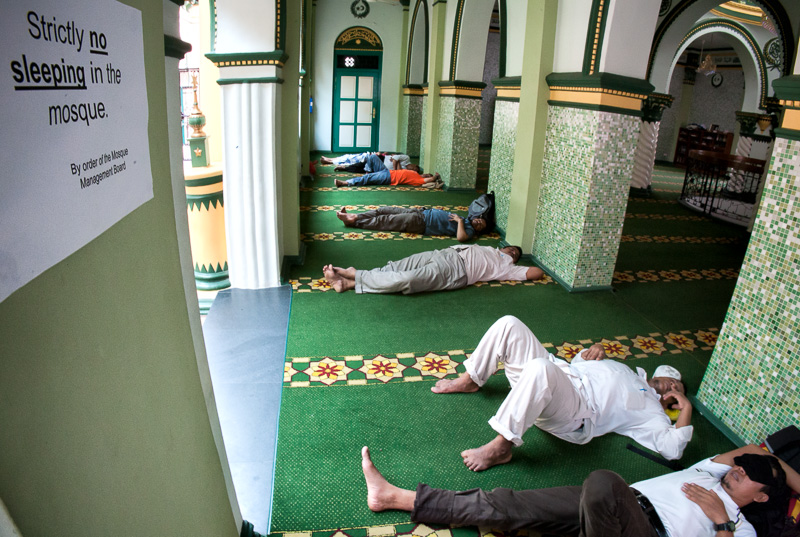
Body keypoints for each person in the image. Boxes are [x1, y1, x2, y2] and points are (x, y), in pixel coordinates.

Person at [360, 443, 798, 537]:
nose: (737, 471)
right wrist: (768, 461)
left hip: (643, 530)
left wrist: (720, 522)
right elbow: (760, 450)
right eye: (739, 468)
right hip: (607, 509)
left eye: (749, 476)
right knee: (510, 506)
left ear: (763, 497)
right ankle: (396, 498)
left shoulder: (743, 529)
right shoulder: (710, 472)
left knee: (604, 481)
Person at [431, 315, 693, 471]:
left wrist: (686, 410)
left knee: (540, 368)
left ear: (673, 401)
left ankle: (502, 446)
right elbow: (579, 366)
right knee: (509, 324)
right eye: (671, 381)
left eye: (676, 389)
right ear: (657, 375)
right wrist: (594, 352)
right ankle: (470, 379)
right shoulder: (628, 371)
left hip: (573, 411)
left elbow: (673, 448)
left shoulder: (652, 412)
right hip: (560, 375)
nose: (671, 387)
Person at [323, 245, 543, 294]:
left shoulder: (506, 267)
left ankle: (355, 275)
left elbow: (536, 273)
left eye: (516, 254)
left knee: (406, 279)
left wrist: (515, 263)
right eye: (511, 249)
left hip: (455, 271)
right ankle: (350, 282)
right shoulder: (491, 247)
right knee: (398, 266)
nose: (512, 252)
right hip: (443, 253)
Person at [336, 206, 487, 242]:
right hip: (421, 213)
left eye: (481, 225)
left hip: (421, 223)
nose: (479, 222)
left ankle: (354, 224)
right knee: (383, 211)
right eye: (480, 219)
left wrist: (460, 221)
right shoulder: (467, 219)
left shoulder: (468, 228)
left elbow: (461, 238)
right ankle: (355, 216)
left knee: (385, 221)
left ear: (478, 231)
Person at [334, 166, 438, 188]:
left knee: (367, 179)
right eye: (427, 173)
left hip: (389, 178)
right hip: (388, 172)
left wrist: (435, 177)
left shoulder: (418, 180)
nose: (427, 175)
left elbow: (431, 179)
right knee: (368, 175)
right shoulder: (415, 173)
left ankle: (345, 183)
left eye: (428, 176)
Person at [335, 153, 412, 173]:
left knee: (362, 170)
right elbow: (395, 158)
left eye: (415, 170)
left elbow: (399, 172)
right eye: (414, 167)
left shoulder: (406, 170)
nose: (413, 169)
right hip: (382, 159)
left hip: (382, 168)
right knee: (363, 164)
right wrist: (396, 164)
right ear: (413, 165)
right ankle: (344, 167)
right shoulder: (407, 158)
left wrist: (396, 162)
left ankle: (345, 169)